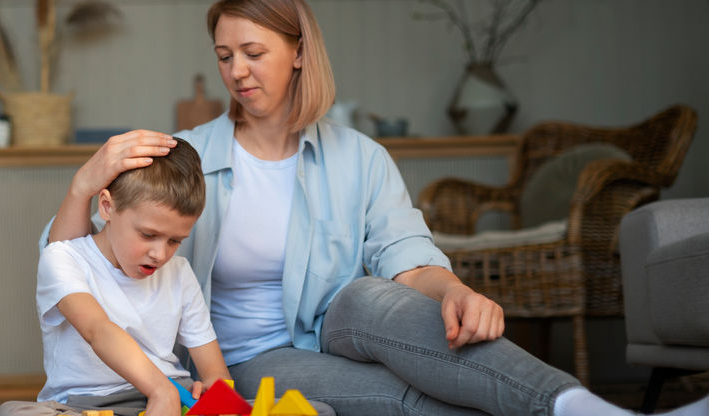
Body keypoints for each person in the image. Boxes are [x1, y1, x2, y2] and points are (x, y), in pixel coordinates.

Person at [41, 0, 709, 415]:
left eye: (254, 52)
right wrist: (81, 186)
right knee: (406, 397)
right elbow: (74, 258)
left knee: (373, 295)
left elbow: (405, 255)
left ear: (298, 53)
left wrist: (453, 291)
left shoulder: (359, 157)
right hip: (246, 357)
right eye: (225, 56)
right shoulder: (184, 155)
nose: (237, 71)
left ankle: (583, 407)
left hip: (340, 322)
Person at [0, 139, 229, 416]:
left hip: (174, 395)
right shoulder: (63, 258)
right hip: (86, 405)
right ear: (107, 207)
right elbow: (98, 329)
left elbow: (216, 373)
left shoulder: (180, 272)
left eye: (175, 241)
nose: (160, 254)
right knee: (13, 412)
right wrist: (159, 390)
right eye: (148, 235)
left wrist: (213, 392)